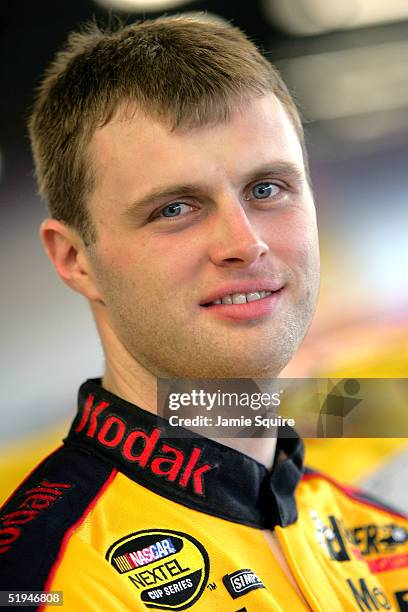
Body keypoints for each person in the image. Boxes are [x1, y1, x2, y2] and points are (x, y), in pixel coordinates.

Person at [0, 14, 407, 611]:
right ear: (75, 260)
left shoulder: (379, 539)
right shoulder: (48, 576)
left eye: (267, 188)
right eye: (174, 208)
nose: (245, 243)